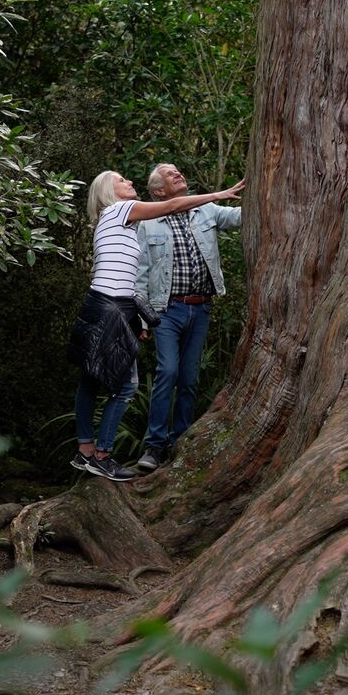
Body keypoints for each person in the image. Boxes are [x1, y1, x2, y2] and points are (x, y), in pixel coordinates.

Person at [68, 169, 245, 482]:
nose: (130, 183)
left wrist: (138, 314)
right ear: (108, 191)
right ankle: (103, 455)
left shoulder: (123, 222)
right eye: (122, 180)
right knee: (126, 387)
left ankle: (85, 451)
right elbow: (171, 207)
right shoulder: (119, 210)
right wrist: (217, 195)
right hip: (110, 308)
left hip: (107, 305)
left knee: (91, 381)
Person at [133, 164, 242, 472]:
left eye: (177, 170)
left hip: (201, 307)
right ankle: (154, 447)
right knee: (167, 371)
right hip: (166, 310)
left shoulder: (205, 210)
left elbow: (240, 218)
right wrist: (141, 320)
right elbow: (140, 275)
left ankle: (180, 441)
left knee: (189, 379)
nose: (177, 174)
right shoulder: (149, 223)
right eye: (170, 174)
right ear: (159, 192)